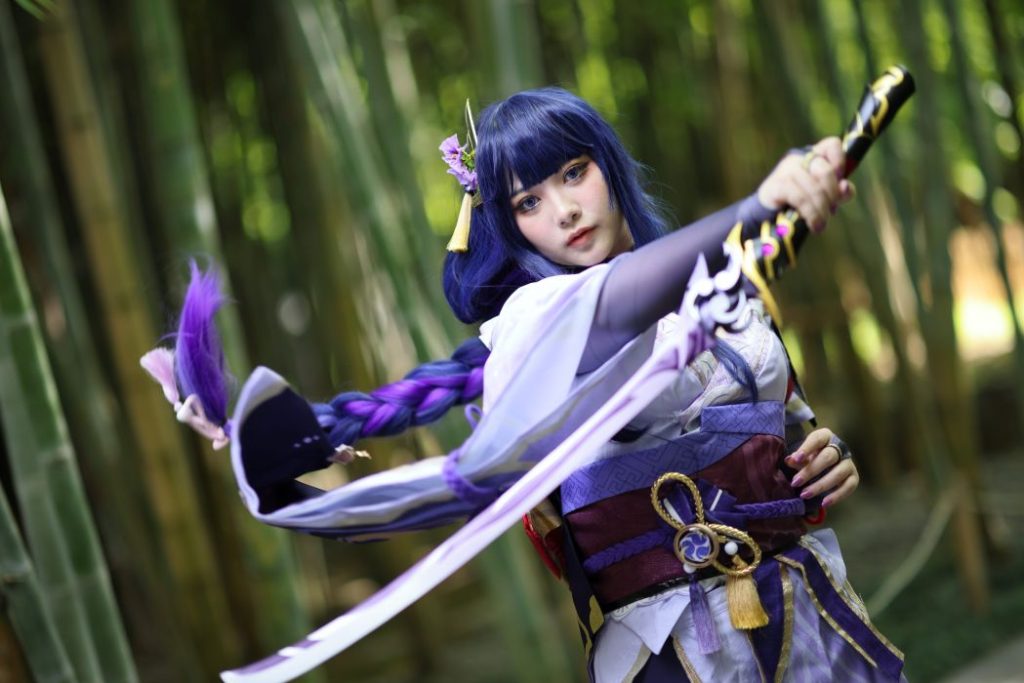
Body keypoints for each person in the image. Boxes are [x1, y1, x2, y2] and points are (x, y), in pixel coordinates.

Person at [145, 87, 904, 682]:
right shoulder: (538, 322)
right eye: (529, 201)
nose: (566, 210)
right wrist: (755, 210)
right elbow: (620, 299)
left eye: (574, 172)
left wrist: (819, 455)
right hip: (672, 653)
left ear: (607, 163)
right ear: (509, 228)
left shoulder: (729, 301)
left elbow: (790, 424)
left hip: (812, 615)